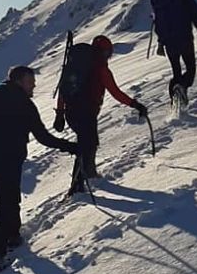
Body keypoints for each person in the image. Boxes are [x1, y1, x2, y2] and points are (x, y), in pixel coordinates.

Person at [0, 66, 77, 271]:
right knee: (5, 203)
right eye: (30, 81)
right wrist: (69, 146)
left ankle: (13, 236)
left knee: (10, 195)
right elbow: (43, 137)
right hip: (9, 157)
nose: (34, 85)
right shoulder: (23, 104)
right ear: (19, 81)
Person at [54, 35, 148, 196]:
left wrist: (60, 114)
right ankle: (77, 186)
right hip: (87, 112)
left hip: (71, 112)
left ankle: (89, 174)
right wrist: (135, 104)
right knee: (86, 145)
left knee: (89, 142)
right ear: (105, 52)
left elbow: (63, 90)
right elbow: (116, 92)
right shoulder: (101, 69)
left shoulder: (75, 66)